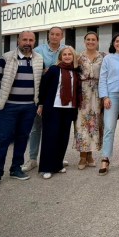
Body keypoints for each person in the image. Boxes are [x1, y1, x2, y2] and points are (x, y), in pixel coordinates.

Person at [0, 31, 44, 188]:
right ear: (18, 41)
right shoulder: (6, 58)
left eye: (31, 40)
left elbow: (41, 83)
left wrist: (37, 103)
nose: (27, 42)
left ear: (34, 42)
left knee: (22, 138)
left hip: (29, 107)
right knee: (3, 139)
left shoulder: (39, 60)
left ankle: (16, 169)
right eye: (24, 39)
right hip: (8, 107)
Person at [22, 26, 64, 173]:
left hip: (58, 95)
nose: (54, 37)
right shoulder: (38, 51)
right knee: (36, 127)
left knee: (55, 128)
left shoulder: (65, 50)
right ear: (48, 35)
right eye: (52, 34)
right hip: (41, 93)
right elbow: (32, 69)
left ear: (62, 36)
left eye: (57, 34)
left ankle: (55, 158)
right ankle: (33, 158)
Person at [38, 46, 80, 179]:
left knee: (63, 137)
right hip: (53, 108)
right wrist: (41, 104)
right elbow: (43, 87)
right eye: (65, 54)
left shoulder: (75, 72)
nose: (67, 56)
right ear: (60, 57)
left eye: (70, 54)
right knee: (50, 137)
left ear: (73, 57)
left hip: (69, 109)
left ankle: (57, 164)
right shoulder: (54, 70)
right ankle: (46, 167)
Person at [98, 33, 119, 175]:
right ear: (113, 43)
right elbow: (102, 78)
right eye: (117, 41)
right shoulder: (108, 58)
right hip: (111, 95)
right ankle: (105, 158)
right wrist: (104, 97)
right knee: (109, 127)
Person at [74, 31, 105, 170]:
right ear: (84, 41)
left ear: (97, 41)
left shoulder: (103, 56)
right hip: (82, 93)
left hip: (98, 93)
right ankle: (82, 156)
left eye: (93, 39)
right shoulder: (78, 57)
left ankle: (90, 155)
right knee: (81, 124)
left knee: (95, 124)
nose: (91, 42)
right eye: (88, 39)